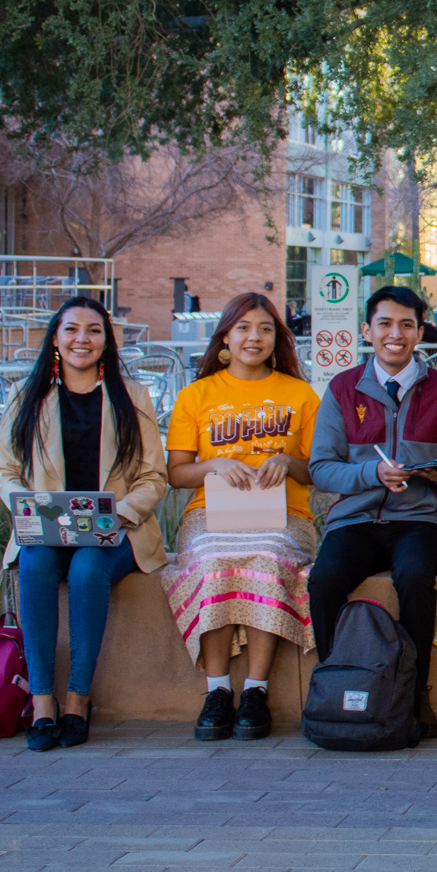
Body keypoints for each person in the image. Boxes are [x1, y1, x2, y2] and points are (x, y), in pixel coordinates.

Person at [0, 297, 167, 752]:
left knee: (89, 566)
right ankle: (42, 699)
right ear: (55, 337)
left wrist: (121, 514)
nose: (81, 339)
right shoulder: (25, 396)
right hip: (48, 527)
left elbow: (153, 476)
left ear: (106, 341)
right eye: (71, 330)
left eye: (93, 330)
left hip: (118, 529)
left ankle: (78, 697)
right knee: (36, 564)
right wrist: (23, 504)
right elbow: (3, 469)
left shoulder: (133, 396)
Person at [307, 285, 437, 740]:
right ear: (368, 330)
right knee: (323, 579)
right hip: (357, 520)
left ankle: (413, 692)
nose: (395, 334)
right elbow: (321, 468)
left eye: (407, 324)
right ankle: (335, 683)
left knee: (413, 577)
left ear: (420, 331)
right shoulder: (343, 389)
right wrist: (370, 475)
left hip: (421, 521)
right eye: (384, 324)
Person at [161, 293, 321, 742]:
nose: (255, 337)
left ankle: (255, 690)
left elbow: (319, 471)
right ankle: (216, 691)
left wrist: (288, 463)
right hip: (210, 514)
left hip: (284, 515)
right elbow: (176, 473)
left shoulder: (300, 394)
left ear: (278, 338)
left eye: (266, 329)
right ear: (226, 336)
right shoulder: (197, 395)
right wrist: (212, 465)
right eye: (245, 327)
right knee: (213, 559)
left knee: (266, 557)